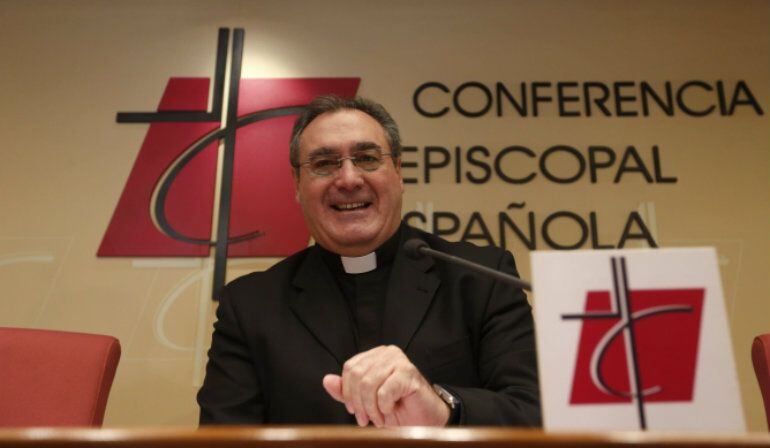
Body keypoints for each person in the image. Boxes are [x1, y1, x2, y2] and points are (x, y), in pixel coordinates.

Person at [197, 95, 541, 427]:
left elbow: (534, 411)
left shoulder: (480, 278)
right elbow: (223, 439)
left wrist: (442, 407)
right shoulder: (251, 306)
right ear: (297, 185)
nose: (348, 179)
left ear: (399, 172)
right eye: (324, 164)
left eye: (366, 158)